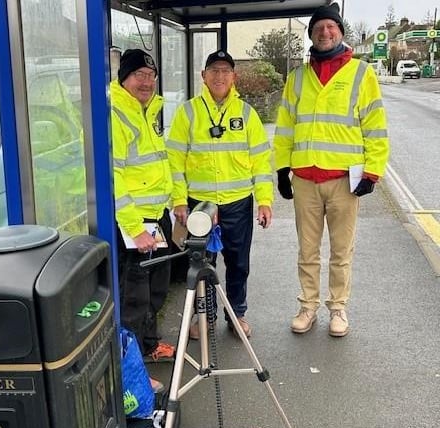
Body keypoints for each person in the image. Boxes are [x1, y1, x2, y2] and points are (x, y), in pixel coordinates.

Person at [273, 3, 390, 337]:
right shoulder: (297, 77)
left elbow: (376, 127)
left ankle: (338, 308)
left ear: (341, 32)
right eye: (319, 27)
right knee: (307, 251)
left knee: (341, 252)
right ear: (311, 34)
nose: (325, 32)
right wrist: (282, 169)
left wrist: (372, 172)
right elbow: (285, 128)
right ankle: (307, 307)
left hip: (344, 180)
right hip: (306, 180)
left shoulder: (361, 73)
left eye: (331, 27)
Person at [167, 50, 274, 339]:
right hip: (200, 204)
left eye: (226, 70)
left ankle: (237, 314)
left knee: (239, 262)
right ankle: (205, 317)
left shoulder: (246, 114)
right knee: (202, 263)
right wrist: (178, 200)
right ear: (203, 75)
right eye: (214, 70)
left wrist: (264, 200)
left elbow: (261, 162)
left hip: (238, 203)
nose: (220, 76)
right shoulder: (188, 112)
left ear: (234, 76)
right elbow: (174, 160)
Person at [111, 49, 175, 392]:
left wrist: (172, 204)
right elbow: (114, 177)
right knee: (133, 300)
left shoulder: (147, 111)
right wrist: (135, 228)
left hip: (156, 217)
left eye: (151, 76)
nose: (147, 82)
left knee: (155, 289)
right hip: (133, 225)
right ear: (124, 78)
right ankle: (130, 371)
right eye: (139, 75)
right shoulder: (116, 114)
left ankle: (149, 347)